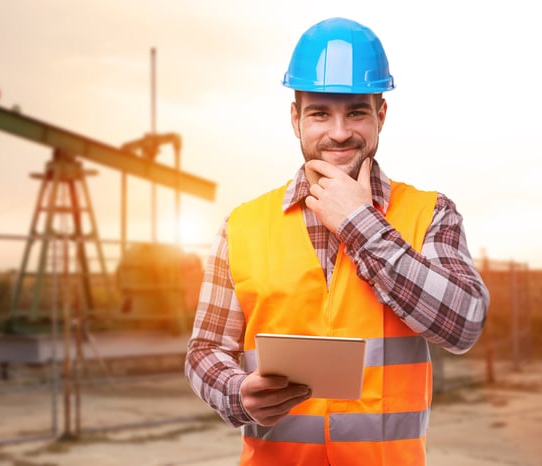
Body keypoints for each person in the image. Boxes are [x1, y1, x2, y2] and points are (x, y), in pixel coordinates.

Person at [184, 17, 490, 466]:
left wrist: (360, 223)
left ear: (381, 114)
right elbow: (205, 350)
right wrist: (235, 392)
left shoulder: (430, 214)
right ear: (296, 118)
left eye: (357, 112)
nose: (340, 132)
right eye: (320, 112)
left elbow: (464, 325)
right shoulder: (242, 225)